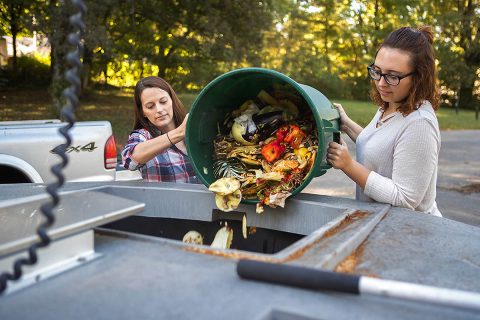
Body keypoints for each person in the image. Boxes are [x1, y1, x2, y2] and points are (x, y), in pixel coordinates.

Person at [327, 26, 442, 216]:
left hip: (410, 234)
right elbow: (381, 148)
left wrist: (348, 165)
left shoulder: (420, 124)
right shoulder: (391, 104)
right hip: (379, 223)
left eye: (392, 76)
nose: (381, 83)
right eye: (377, 71)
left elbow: (405, 199)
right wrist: (346, 124)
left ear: (419, 77)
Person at [122, 76, 198, 183]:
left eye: (163, 101)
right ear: (143, 112)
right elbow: (129, 161)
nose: (159, 109)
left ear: (172, 100)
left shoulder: (195, 129)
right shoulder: (142, 136)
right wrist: (179, 133)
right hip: (164, 200)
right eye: (150, 106)